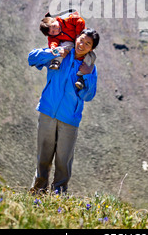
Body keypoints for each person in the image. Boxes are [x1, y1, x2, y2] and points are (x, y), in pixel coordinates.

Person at [28, 28, 100, 195]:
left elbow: (88, 96)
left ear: (91, 49)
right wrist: (55, 51)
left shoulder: (89, 68)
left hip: (69, 119)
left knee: (63, 159)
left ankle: (58, 195)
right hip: (47, 111)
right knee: (43, 156)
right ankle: (37, 191)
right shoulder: (62, 54)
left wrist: (88, 76)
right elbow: (32, 58)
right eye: (81, 40)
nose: (82, 44)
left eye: (88, 44)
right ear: (76, 39)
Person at [39, 10, 96, 90]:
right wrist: (53, 47)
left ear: (55, 20)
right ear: (50, 35)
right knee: (64, 47)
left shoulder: (66, 20)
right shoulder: (54, 36)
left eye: (54, 26)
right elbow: (53, 42)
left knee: (91, 57)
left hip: (82, 40)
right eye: (53, 32)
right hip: (70, 44)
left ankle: (82, 78)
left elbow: (80, 21)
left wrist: (78, 35)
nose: (56, 30)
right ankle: (57, 61)